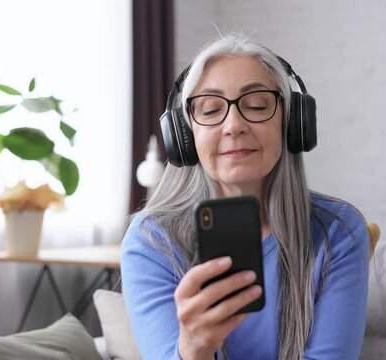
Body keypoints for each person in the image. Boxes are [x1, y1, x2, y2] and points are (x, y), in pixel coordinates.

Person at [121, 33, 369, 360]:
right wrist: (194, 350)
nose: (233, 125)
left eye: (256, 105)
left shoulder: (338, 232)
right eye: (210, 110)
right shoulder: (151, 242)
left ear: (292, 123)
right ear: (185, 136)